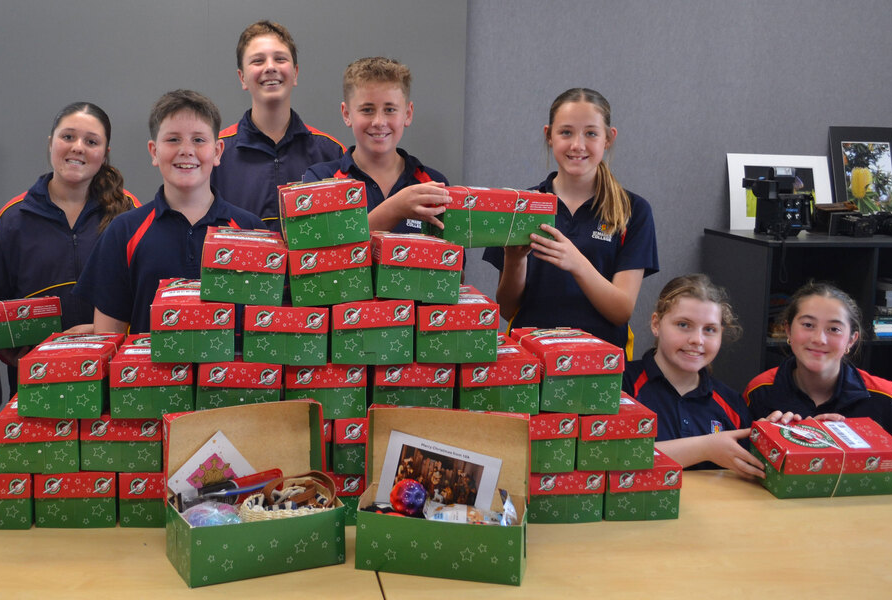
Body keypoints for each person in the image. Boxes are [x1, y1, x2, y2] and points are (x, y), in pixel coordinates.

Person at [0, 102, 139, 391]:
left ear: (105, 154)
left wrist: (107, 332)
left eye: (91, 141)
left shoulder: (130, 214)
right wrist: (9, 353)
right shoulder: (13, 219)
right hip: (40, 382)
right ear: (51, 143)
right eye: (68, 137)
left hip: (116, 380)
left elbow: (146, 298)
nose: (78, 147)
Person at [483, 88, 658, 355]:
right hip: (530, 360)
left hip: (599, 365)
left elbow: (621, 311)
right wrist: (515, 260)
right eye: (566, 132)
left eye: (591, 133)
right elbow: (507, 310)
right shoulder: (520, 206)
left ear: (609, 139)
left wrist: (577, 264)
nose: (578, 145)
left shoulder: (633, 210)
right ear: (549, 136)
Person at [73, 89, 264, 333]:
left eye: (199, 139)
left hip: (232, 373)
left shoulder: (252, 230)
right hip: (148, 372)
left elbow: (263, 327)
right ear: (154, 152)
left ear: (217, 152)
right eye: (173, 139)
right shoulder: (124, 233)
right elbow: (109, 338)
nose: (186, 149)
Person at [744, 282, 892, 477]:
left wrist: (884, 461)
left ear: (851, 340)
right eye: (808, 325)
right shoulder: (760, 390)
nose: (819, 339)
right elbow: (741, 462)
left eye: (834, 329)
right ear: (788, 330)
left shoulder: (884, 396)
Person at [623, 274, 763, 477]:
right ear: (656, 324)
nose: (697, 340)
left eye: (709, 329)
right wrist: (704, 448)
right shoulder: (621, 386)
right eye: (683, 325)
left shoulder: (732, 404)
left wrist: (780, 432)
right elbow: (606, 459)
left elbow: (755, 470)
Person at [212, 20, 345, 230]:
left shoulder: (331, 152)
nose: (270, 67)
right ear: (242, 78)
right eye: (258, 61)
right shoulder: (215, 154)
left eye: (280, 59)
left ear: (295, 73)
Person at [302, 56, 451, 235]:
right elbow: (316, 256)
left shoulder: (431, 183)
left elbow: (450, 257)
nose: (379, 122)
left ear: (408, 114)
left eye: (390, 110)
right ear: (347, 114)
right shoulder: (321, 180)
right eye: (367, 110)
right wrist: (395, 209)